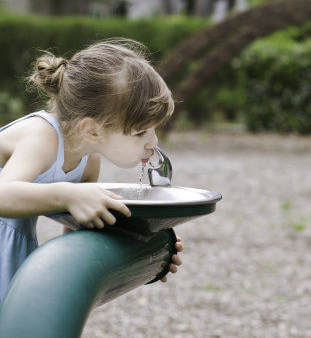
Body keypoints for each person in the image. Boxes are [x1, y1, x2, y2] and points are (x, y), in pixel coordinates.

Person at [0, 38, 183, 305]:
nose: (153, 143)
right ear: (92, 130)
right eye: (141, 132)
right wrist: (67, 195)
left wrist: (149, 242)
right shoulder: (41, 137)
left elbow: (77, 235)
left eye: (155, 129)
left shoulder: (89, 161)